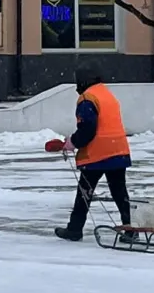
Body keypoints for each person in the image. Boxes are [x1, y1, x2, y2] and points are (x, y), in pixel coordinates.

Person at [55, 62, 133, 242]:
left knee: (84, 193)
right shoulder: (107, 95)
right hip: (118, 150)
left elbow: (87, 129)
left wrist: (72, 142)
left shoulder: (87, 98)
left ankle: (75, 229)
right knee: (120, 193)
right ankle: (130, 228)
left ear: (82, 81)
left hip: (97, 154)